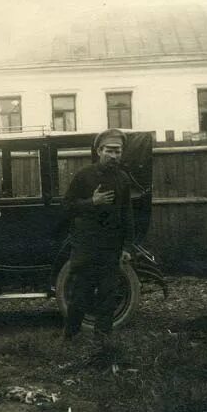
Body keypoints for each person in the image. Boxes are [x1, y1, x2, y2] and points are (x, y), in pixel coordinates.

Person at [62, 129, 135, 348]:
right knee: (80, 294)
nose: (114, 156)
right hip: (85, 247)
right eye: (110, 151)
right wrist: (91, 202)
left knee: (108, 295)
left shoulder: (123, 179)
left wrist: (127, 246)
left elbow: (127, 215)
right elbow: (66, 208)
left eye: (118, 152)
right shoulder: (84, 176)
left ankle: (103, 342)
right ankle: (70, 338)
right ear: (99, 151)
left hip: (111, 249)